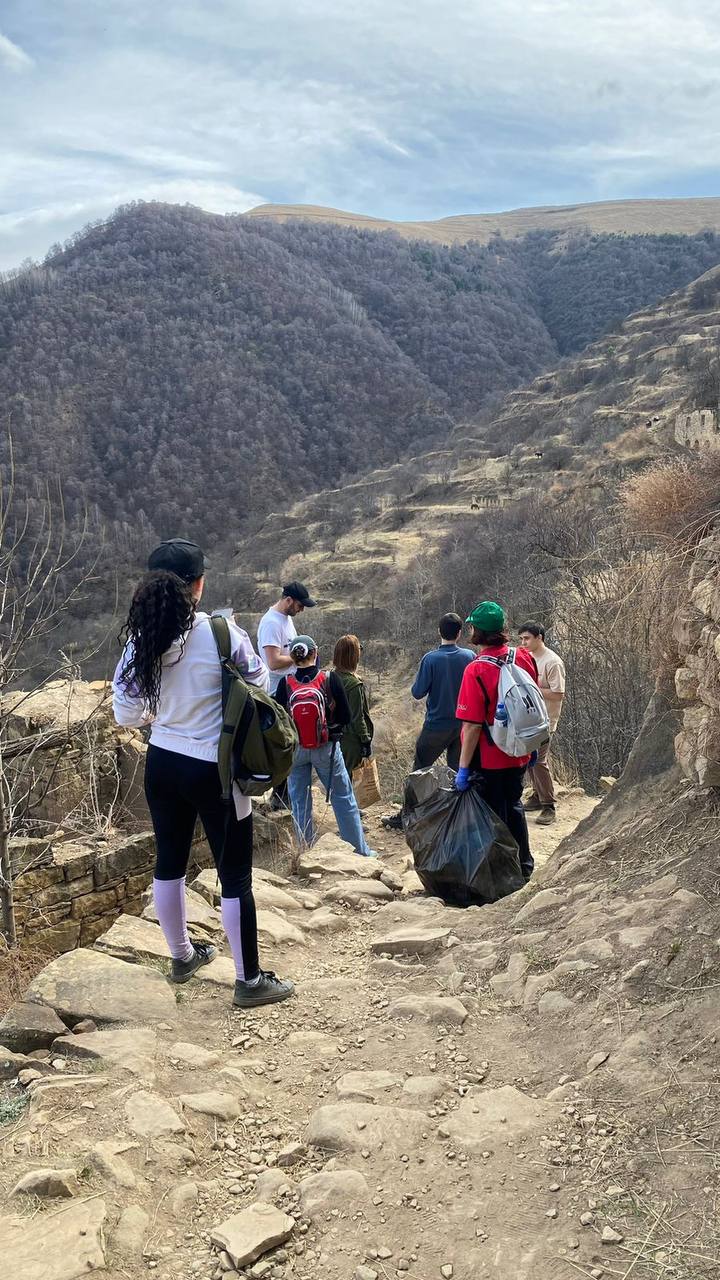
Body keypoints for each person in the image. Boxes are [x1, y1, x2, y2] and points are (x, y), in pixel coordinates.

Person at [112, 538, 294, 1009]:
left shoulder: (142, 638)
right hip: (214, 768)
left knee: (169, 861)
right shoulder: (221, 632)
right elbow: (257, 682)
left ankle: (181, 957)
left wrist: (163, 711)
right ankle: (249, 980)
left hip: (162, 763)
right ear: (198, 585)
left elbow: (125, 712)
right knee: (234, 875)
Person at [454, 600, 538, 882]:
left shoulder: (476, 670)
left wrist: (463, 769)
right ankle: (524, 865)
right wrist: (533, 746)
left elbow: (472, 726)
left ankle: (500, 874)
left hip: (490, 756)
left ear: (478, 632)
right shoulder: (523, 657)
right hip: (520, 749)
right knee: (513, 804)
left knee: (491, 815)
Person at [276, 636, 377, 857]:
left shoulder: (285, 684)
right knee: (343, 797)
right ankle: (359, 851)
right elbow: (346, 717)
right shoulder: (329, 679)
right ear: (316, 652)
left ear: (293, 657)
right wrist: (331, 730)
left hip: (297, 751)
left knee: (299, 800)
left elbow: (279, 720)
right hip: (326, 748)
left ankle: (305, 851)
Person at [383, 613, 474, 830]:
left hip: (436, 725)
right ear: (459, 633)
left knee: (420, 769)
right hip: (463, 725)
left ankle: (407, 816)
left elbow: (417, 692)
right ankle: (457, 817)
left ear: (439, 632)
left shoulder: (431, 659)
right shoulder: (470, 656)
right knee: (457, 772)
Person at [257, 581, 317, 811]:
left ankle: (285, 794)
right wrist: (300, 655)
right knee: (284, 743)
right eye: (300, 605)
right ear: (289, 600)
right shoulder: (271, 623)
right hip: (276, 691)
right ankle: (280, 796)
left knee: (292, 742)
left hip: (290, 687)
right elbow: (272, 662)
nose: (301, 610)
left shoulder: (286, 619)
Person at [517, 621, 566, 826]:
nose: (523, 642)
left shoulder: (552, 662)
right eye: (521, 639)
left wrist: (533, 687)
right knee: (529, 759)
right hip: (529, 719)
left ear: (539, 638)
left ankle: (549, 805)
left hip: (545, 720)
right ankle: (537, 795)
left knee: (538, 761)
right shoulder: (526, 658)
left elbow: (558, 694)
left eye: (527, 638)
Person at [332, 634, 374, 774]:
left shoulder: (330, 677)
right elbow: (358, 718)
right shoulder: (354, 685)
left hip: (333, 738)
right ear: (353, 656)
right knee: (351, 781)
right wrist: (365, 741)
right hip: (351, 741)